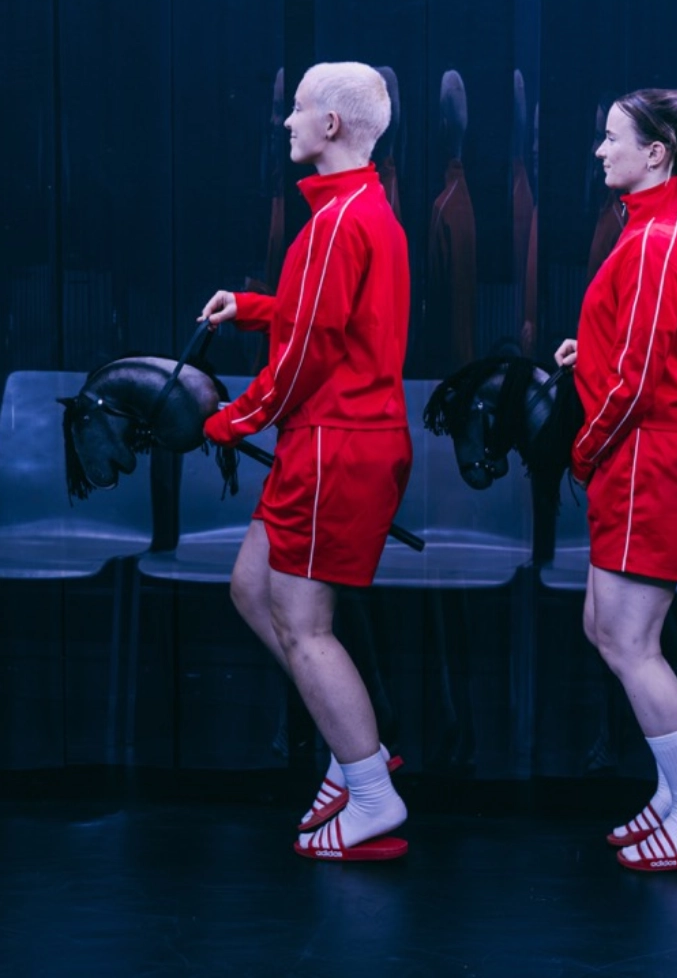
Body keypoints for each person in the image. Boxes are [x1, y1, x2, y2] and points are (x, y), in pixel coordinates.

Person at [200, 62, 413, 862]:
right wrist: (253, 308)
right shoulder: (360, 211)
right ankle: (352, 754)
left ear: (331, 126)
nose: (285, 122)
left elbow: (312, 355)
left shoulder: (337, 221)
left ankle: (369, 789)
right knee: (252, 589)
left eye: (296, 110)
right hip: (335, 441)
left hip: (336, 446)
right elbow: (324, 317)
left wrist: (232, 419)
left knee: (304, 623)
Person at [554, 88, 677, 872]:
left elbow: (639, 379)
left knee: (630, 642)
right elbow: (634, 351)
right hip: (639, 456)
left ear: (657, 152)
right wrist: (584, 354)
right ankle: (674, 792)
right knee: (608, 630)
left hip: (648, 462)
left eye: (611, 136)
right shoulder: (651, 231)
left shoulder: (662, 237)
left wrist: (583, 451)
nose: (600, 150)